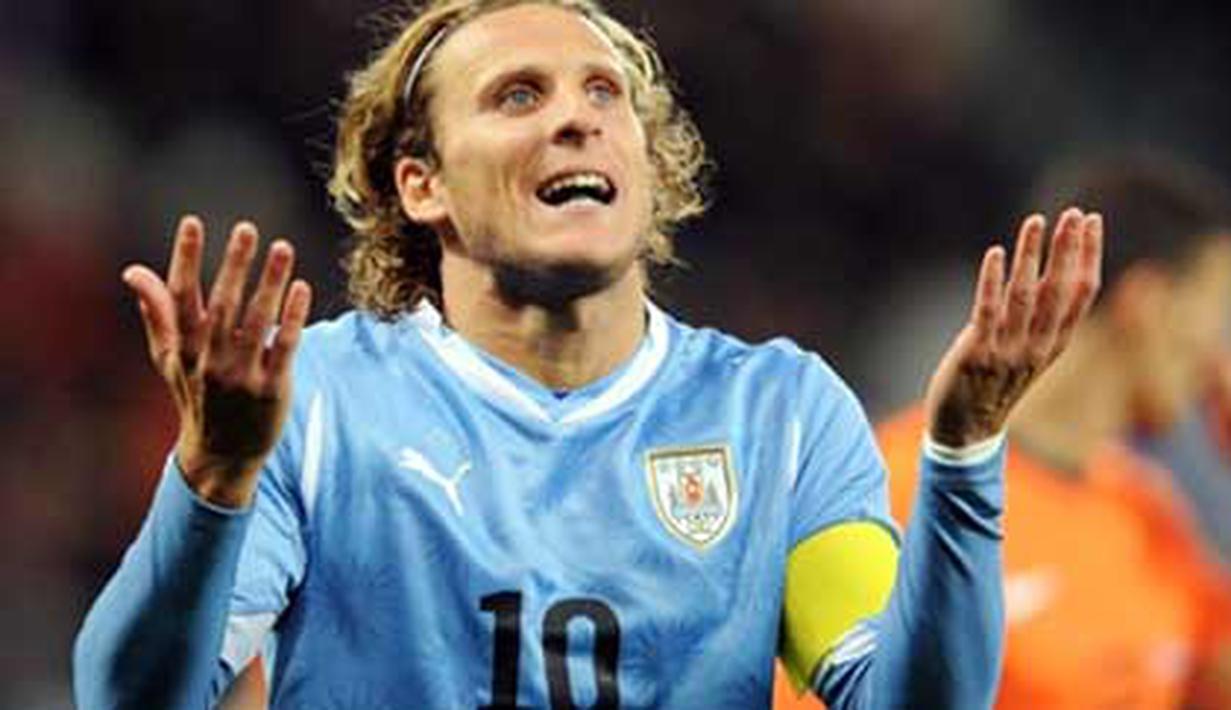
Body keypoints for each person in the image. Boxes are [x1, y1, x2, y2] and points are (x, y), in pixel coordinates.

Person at [72, 1, 1102, 707]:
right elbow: (130, 694)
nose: (576, 116)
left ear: (647, 169)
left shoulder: (781, 415)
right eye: (518, 96)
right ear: (421, 185)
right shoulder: (323, 400)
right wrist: (212, 483)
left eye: (603, 94)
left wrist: (965, 455)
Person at [782, 155, 1230, 710]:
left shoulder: (1151, 515)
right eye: (1216, 310)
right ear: (1148, 301)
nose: (1218, 358)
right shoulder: (892, 486)